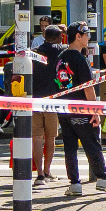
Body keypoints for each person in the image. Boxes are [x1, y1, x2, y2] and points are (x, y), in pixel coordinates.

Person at [53, 23, 106, 194]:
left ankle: (74, 184)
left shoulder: (60, 57)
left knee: (70, 147)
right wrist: (94, 110)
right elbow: (88, 87)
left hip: (64, 108)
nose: (89, 37)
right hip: (82, 108)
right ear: (77, 36)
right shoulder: (80, 59)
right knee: (91, 144)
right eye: (86, 34)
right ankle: (103, 180)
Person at [32, 23, 63, 182]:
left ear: (44, 36)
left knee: (37, 137)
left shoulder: (35, 53)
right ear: (59, 37)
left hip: (35, 99)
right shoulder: (60, 53)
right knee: (50, 137)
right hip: (52, 99)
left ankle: (39, 174)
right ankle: (47, 170)